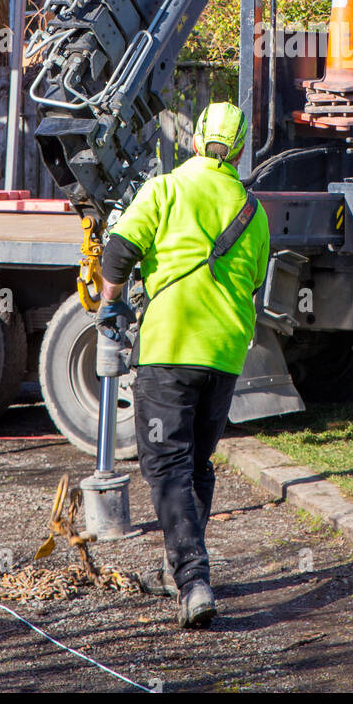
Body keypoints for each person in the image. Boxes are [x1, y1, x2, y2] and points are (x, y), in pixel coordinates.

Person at [95, 102, 270, 629]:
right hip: (223, 355)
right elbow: (256, 280)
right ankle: (191, 568)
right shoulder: (253, 212)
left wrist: (110, 304)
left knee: (168, 467)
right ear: (239, 150)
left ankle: (193, 581)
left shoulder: (166, 189)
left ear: (197, 143)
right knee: (195, 463)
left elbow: (119, 252)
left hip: (169, 348)